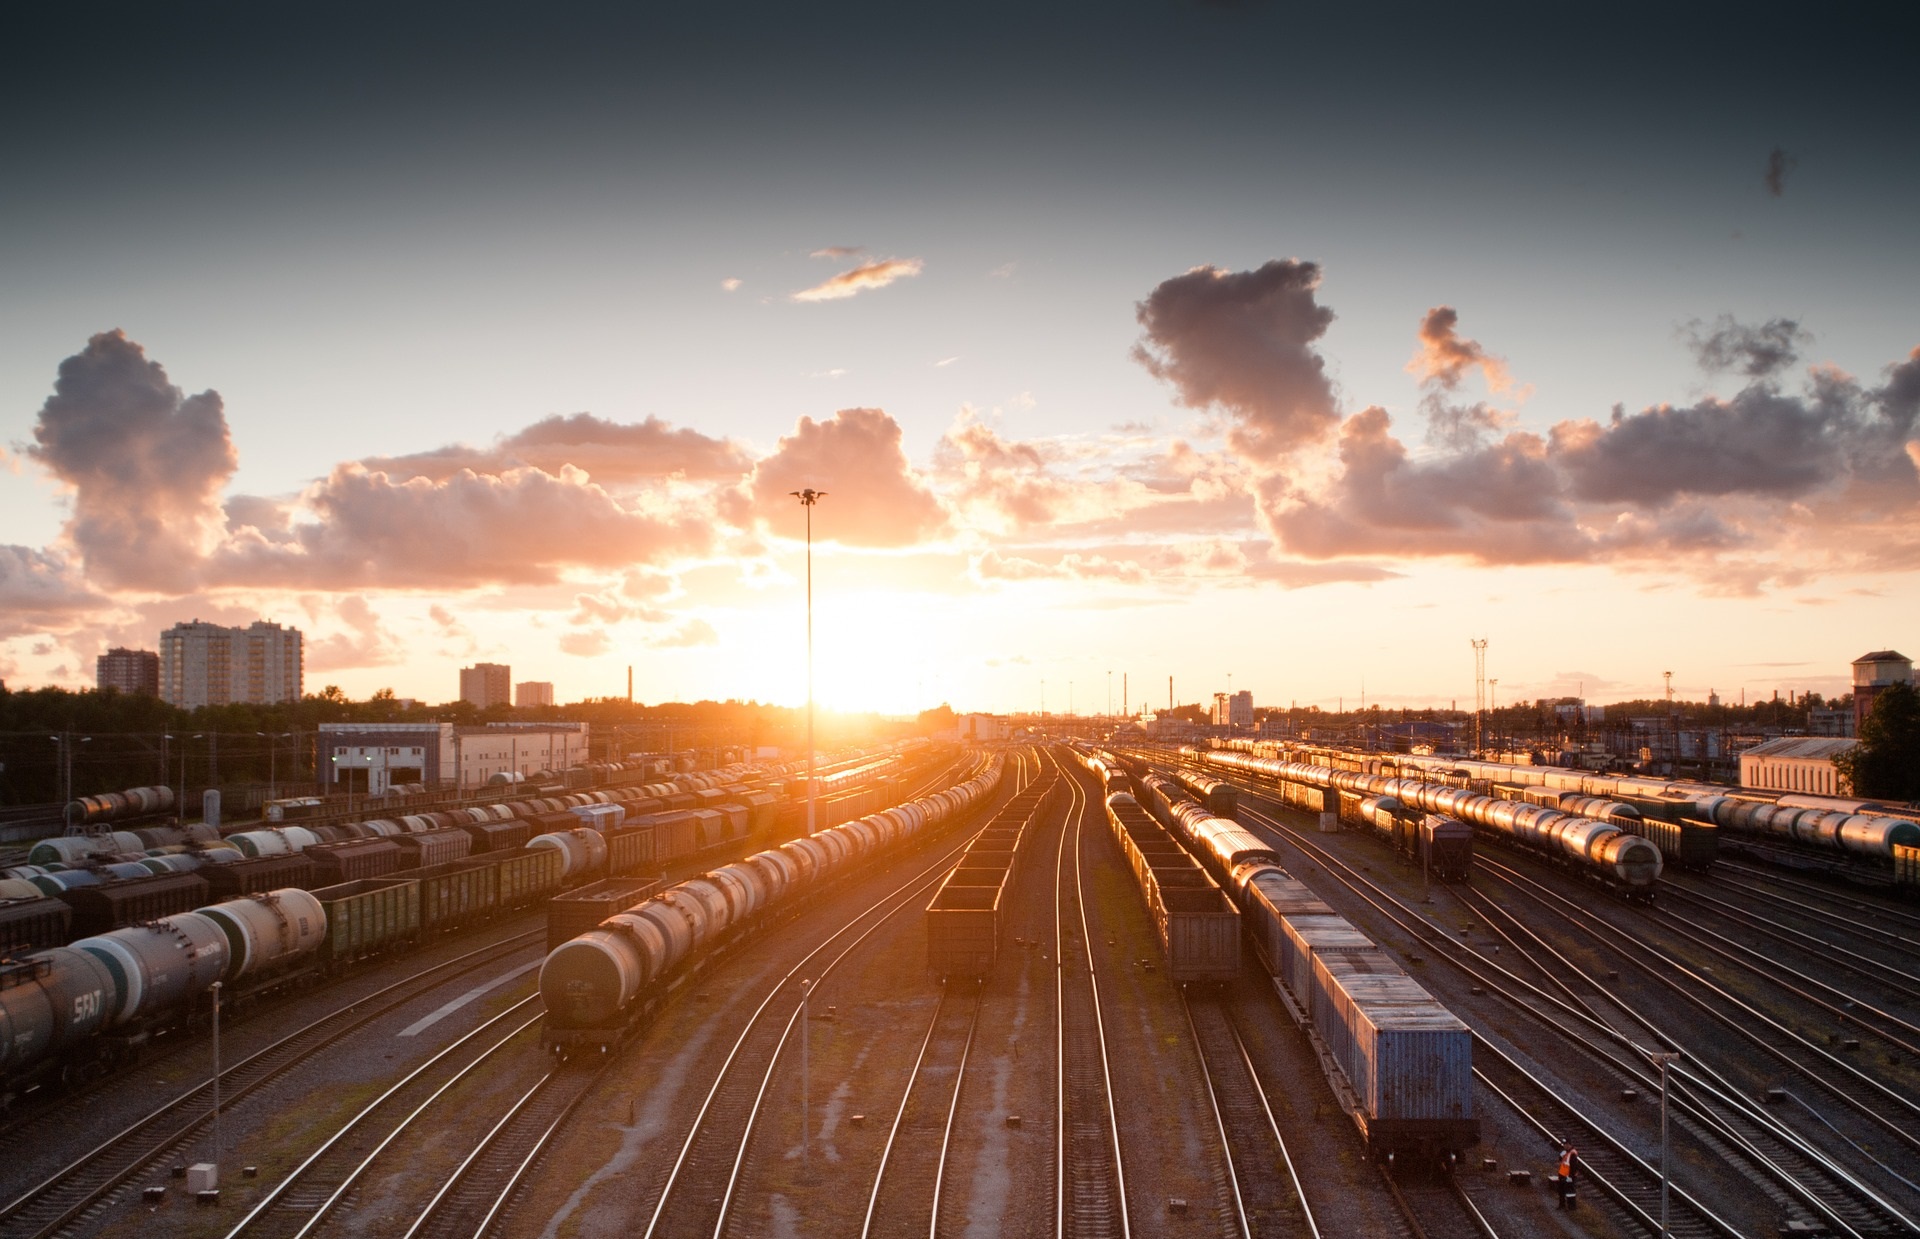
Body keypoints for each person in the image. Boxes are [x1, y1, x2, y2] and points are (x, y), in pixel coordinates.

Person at [1556, 1143, 1579, 1210]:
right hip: (1562, 1175)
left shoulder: (1572, 1154)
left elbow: (1574, 1167)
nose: (1564, 1146)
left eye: (1566, 1144)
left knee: (1570, 1192)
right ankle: (1562, 1205)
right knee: (1561, 1191)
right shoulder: (1566, 1152)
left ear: (1570, 1145)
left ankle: (1571, 1207)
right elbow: (1562, 1160)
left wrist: (1570, 1177)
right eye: (1564, 1145)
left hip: (1568, 1176)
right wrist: (1561, 1155)